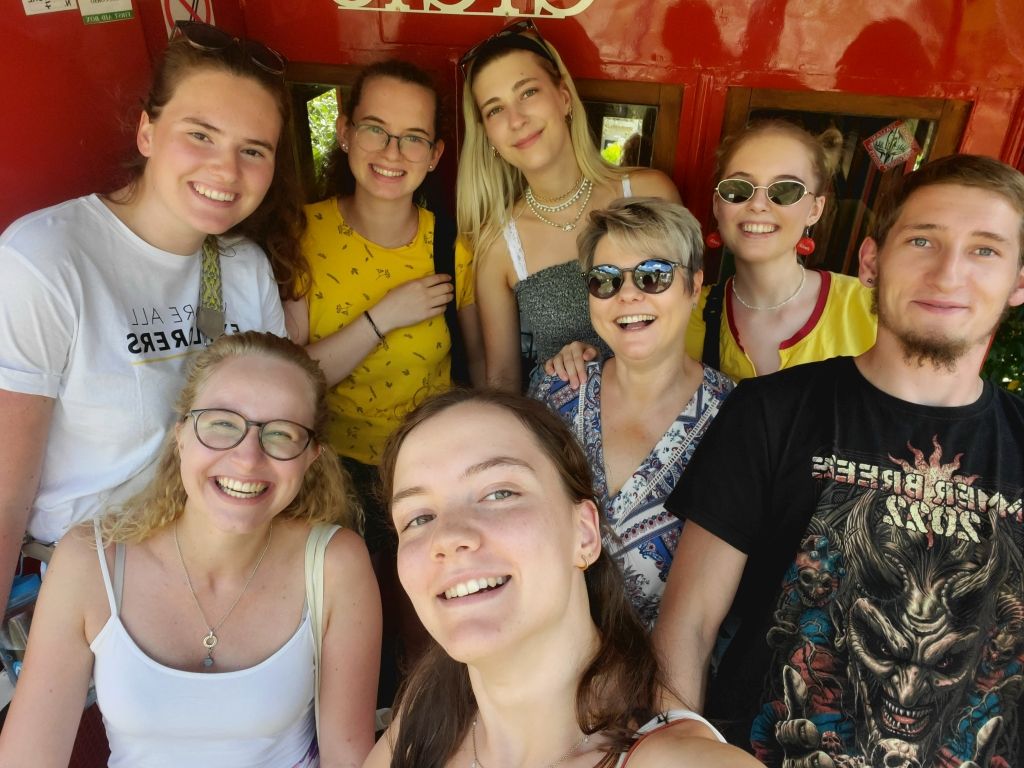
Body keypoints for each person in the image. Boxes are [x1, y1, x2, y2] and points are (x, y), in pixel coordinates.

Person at [653, 154, 1024, 767]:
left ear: (1018, 280)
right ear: (872, 262)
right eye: (923, 240)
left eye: (985, 249)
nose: (948, 273)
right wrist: (680, 748)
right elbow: (687, 624)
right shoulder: (770, 411)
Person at [0, 21, 305, 615]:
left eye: (253, 150)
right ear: (147, 131)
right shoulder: (46, 259)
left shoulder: (244, 267)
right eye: (201, 135)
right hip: (92, 587)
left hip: (227, 567)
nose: (227, 170)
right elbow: (5, 494)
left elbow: (271, 433)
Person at [0, 332, 381, 767]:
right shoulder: (91, 560)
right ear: (181, 435)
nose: (248, 458)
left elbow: (348, 758)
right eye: (222, 424)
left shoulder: (334, 564)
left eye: (281, 434)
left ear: (311, 456)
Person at [363, 389, 761, 768]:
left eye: (499, 493)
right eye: (418, 518)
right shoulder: (425, 713)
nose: (447, 537)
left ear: (584, 534)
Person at [284, 59, 482, 705]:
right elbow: (293, 382)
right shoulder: (301, 235)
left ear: (435, 154)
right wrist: (383, 317)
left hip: (425, 472)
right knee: (340, 639)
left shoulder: (452, 247)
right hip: (327, 473)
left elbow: (483, 374)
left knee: (429, 640)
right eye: (376, 129)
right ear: (344, 132)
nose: (392, 152)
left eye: (413, 138)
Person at [545, 120, 876, 386]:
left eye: (785, 190)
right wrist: (581, 358)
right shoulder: (678, 309)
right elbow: (626, 365)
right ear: (718, 204)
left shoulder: (870, 309)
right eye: (739, 189)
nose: (758, 204)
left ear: (815, 208)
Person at [534, 198, 733, 627]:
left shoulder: (736, 418)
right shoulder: (555, 392)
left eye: (653, 275)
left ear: (694, 286)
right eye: (605, 279)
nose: (627, 294)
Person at [457, 19, 681, 392]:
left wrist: (601, 357)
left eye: (528, 92)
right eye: (495, 110)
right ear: (488, 136)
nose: (516, 120)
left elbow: (686, 321)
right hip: (558, 423)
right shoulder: (498, 244)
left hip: (659, 409)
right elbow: (503, 383)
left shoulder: (649, 194)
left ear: (563, 97)